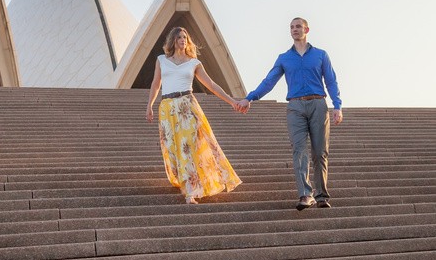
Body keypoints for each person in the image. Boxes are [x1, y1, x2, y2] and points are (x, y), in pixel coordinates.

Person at [236, 17, 343, 210]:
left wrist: (337, 106)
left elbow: (331, 81)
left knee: (320, 153)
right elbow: (269, 81)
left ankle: (321, 196)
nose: (295, 29)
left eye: (298, 26)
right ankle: (305, 195)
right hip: (295, 107)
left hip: (318, 104)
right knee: (299, 150)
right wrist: (250, 97)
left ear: (306, 29)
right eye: (292, 27)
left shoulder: (320, 55)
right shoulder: (284, 58)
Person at [146, 26, 242, 205]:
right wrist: (149, 105)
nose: (182, 40)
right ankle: (184, 181)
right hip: (167, 108)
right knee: (173, 148)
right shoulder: (161, 60)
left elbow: (211, 85)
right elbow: (155, 84)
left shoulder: (193, 63)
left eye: (185, 37)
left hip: (187, 107)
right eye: (179, 37)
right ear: (173, 41)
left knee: (187, 146)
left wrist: (232, 101)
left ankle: (191, 191)